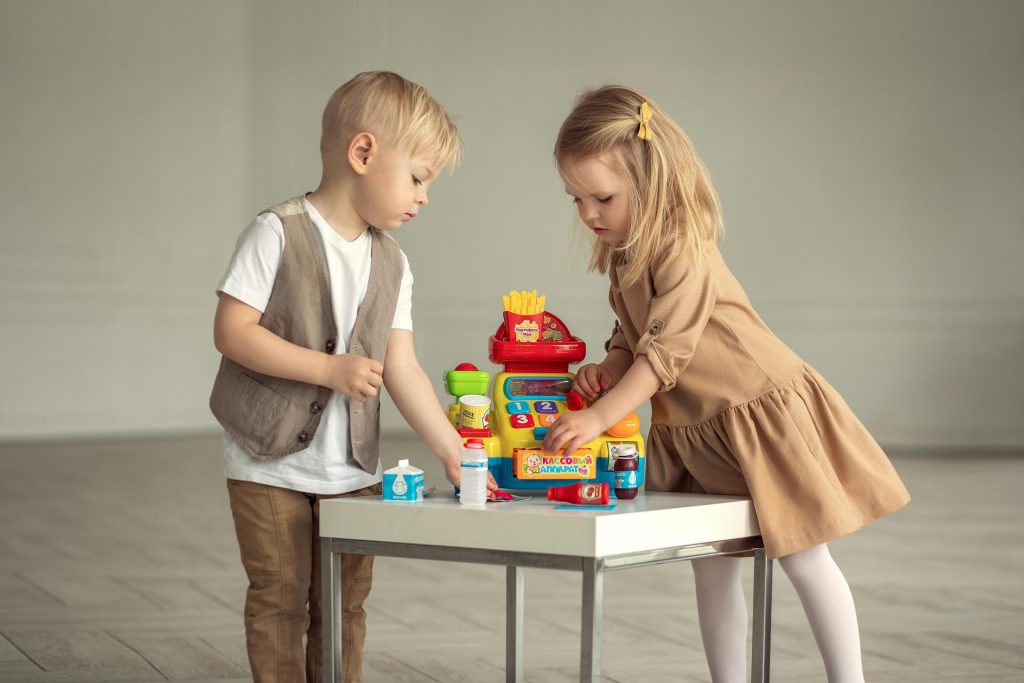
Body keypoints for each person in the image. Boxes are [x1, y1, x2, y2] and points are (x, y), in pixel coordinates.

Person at [542, 85, 910, 683]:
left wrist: (600, 415)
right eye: (576, 199)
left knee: (805, 557)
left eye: (602, 197)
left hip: (754, 414)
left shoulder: (682, 246)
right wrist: (610, 364)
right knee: (711, 564)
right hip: (699, 429)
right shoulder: (625, 252)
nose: (588, 214)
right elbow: (634, 334)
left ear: (649, 181)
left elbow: (664, 354)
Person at [210, 71, 494, 683]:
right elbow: (233, 333)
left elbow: (403, 366)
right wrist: (326, 369)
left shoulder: (392, 261)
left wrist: (453, 449)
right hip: (268, 465)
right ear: (363, 153)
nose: (423, 197)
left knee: (344, 606)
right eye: (418, 178)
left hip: (351, 471)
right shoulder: (275, 233)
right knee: (280, 600)